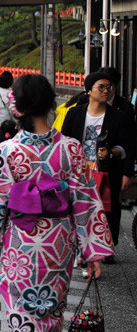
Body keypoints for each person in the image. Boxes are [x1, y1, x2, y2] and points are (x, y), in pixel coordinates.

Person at [0, 73, 113, 332]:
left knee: (22, 315)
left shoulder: (6, 151)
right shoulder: (70, 149)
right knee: (51, 310)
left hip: (20, 247)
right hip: (58, 245)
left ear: (17, 107)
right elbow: (85, 200)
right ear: (51, 103)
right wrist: (92, 250)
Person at [61, 71, 134, 260]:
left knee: (107, 208)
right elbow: (64, 141)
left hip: (107, 170)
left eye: (108, 87)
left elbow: (126, 146)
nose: (106, 91)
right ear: (88, 91)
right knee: (79, 207)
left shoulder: (119, 117)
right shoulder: (75, 113)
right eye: (100, 87)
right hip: (79, 170)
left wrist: (111, 153)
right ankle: (79, 243)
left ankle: (107, 246)